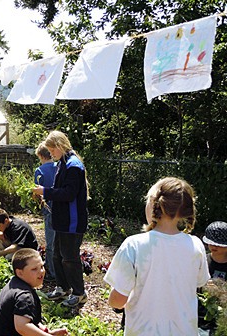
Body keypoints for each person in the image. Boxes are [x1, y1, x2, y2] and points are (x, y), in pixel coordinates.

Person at [104, 177, 210, 335]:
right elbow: (200, 283)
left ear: (155, 204)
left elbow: (117, 301)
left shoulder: (133, 245)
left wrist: (114, 298)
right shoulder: (196, 245)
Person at [32, 130, 89, 308]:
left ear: (59, 146)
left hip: (72, 221)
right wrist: (46, 195)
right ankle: (63, 288)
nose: (51, 154)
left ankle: (80, 294)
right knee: (57, 255)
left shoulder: (73, 166)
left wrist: (45, 191)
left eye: (52, 150)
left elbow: (69, 193)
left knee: (70, 258)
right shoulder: (62, 163)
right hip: (61, 219)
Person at [0, 248, 68, 336]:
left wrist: (48, 332)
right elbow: (22, 327)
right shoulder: (24, 295)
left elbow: (28, 319)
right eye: (34, 269)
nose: (41, 272)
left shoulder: (14, 284)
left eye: (42, 267)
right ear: (19, 273)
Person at [34, 141, 57, 281]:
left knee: (50, 241)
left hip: (48, 205)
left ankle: (51, 272)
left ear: (41, 156)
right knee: (60, 238)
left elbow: (38, 191)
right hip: (61, 204)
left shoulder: (40, 170)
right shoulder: (59, 166)